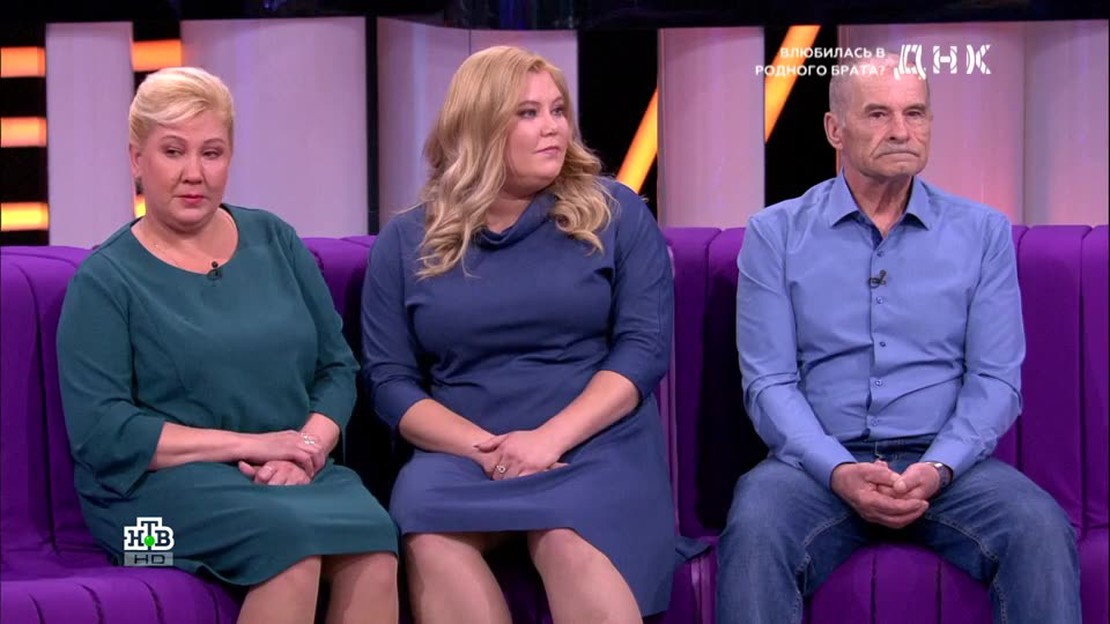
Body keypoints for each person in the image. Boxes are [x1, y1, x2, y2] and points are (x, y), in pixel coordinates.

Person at [716, 55, 1081, 623]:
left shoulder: (982, 233)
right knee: (756, 527)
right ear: (835, 129)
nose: (902, 131)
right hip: (816, 467)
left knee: (1039, 528)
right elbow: (769, 383)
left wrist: (938, 468)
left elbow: (995, 380)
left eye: (915, 113)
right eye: (878, 114)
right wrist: (838, 470)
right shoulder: (775, 234)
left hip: (948, 465)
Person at [56, 67, 399, 624]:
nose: (194, 173)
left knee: (376, 545)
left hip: (295, 473)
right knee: (288, 548)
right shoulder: (105, 280)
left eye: (211, 153)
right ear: (137, 160)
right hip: (145, 510)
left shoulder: (275, 239)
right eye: (173, 152)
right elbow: (105, 433)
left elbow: (336, 367)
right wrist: (256, 446)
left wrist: (307, 449)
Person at [361, 46, 691, 623]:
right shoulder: (408, 239)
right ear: (480, 127)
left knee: (565, 539)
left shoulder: (615, 214)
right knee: (429, 529)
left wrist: (548, 440)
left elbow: (643, 351)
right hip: (461, 452)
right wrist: (486, 451)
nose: (553, 127)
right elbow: (390, 382)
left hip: (594, 443)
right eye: (529, 113)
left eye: (558, 110)